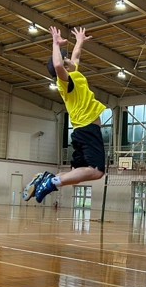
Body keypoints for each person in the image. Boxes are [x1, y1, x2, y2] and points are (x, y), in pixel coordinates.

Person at [23, 26, 106, 203]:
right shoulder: (65, 81)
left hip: (83, 130)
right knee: (97, 171)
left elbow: (75, 58)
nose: (69, 59)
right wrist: (55, 43)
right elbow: (59, 64)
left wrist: (80, 41)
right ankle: (52, 182)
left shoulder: (75, 74)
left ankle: (43, 179)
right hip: (87, 129)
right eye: (65, 58)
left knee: (78, 175)